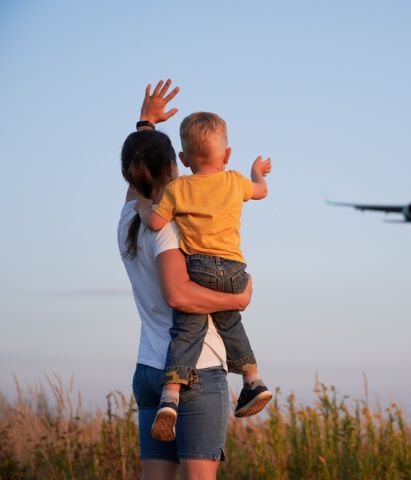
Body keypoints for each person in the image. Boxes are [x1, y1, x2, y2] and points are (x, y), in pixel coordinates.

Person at [119, 79, 244, 479]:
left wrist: (146, 124)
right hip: (195, 370)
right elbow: (178, 294)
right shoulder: (169, 227)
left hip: (148, 369)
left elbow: (139, 175)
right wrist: (236, 301)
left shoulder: (128, 218)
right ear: (176, 166)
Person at [136, 104, 273, 440]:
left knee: (186, 327)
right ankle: (253, 379)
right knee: (230, 320)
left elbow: (155, 222)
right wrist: (257, 171)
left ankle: (170, 397)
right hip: (234, 269)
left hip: (198, 267)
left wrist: (143, 207)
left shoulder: (178, 189)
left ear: (183, 159)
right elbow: (262, 191)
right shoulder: (235, 180)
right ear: (226, 155)